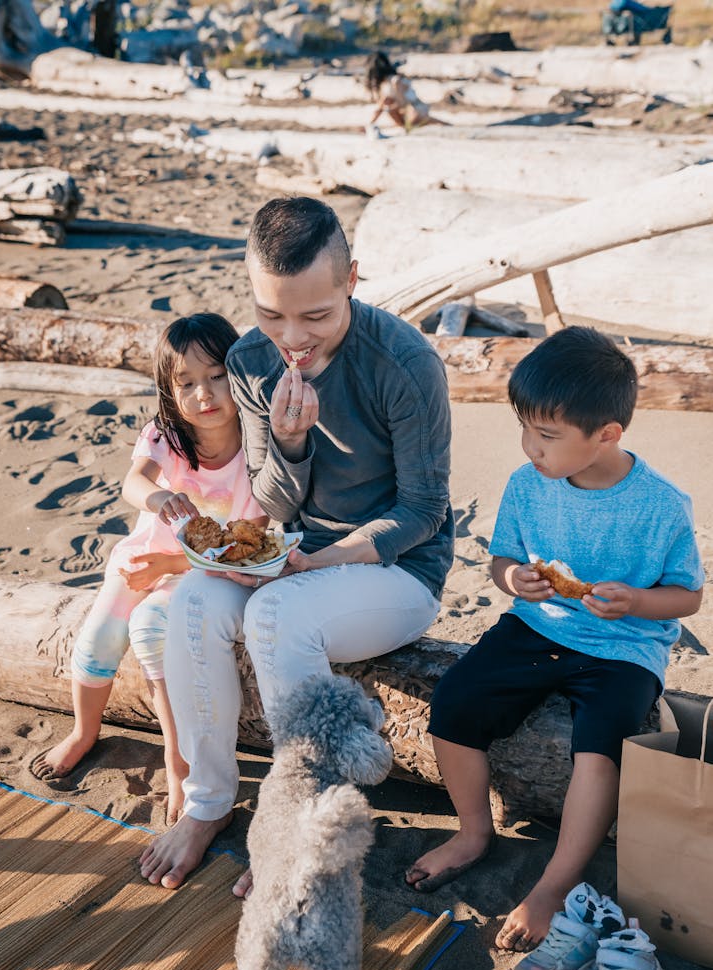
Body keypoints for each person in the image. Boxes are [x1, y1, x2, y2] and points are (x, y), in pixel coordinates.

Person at [138, 195, 454, 891]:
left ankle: (303, 822)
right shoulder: (252, 361)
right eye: (270, 313)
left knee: (275, 616)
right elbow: (276, 503)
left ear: (351, 280)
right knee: (193, 600)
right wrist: (288, 442)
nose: (292, 338)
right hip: (299, 558)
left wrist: (321, 559)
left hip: (397, 572)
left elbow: (425, 511)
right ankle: (208, 804)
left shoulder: (404, 364)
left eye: (315, 315)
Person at [405, 326, 704, 951]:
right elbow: (502, 561)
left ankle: (556, 882)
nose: (529, 447)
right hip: (538, 625)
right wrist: (513, 579)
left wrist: (637, 601)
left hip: (625, 648)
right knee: (456, 701)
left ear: (607, 435)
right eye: (525, 429)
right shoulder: (526, 483)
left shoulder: (662, 506)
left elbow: (688, 596)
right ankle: (473, 833)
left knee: (600, 749)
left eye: (546, 436)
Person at [30, 313, 266, 825]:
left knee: (153, 633)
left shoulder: (254, 448)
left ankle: (177, 760)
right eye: (186, 383)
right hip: (144, 558)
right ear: (168, 390)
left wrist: (171, 562)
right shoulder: (168, 434)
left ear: (240, 373)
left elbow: (243, 546)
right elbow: (133, 482)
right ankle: (83, 731)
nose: (203, 394)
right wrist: (158, 497)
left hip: (204, 574)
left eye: (216, 375)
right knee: (97, 641)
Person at [365, 50, 447, 133]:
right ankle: (413, 125)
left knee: (388, 104)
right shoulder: (391, 81)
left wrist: (390, 107)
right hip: (417, 110)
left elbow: (403, 103)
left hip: (415, 110)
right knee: (387, 104)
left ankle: (410, 126)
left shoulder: (394, 81)